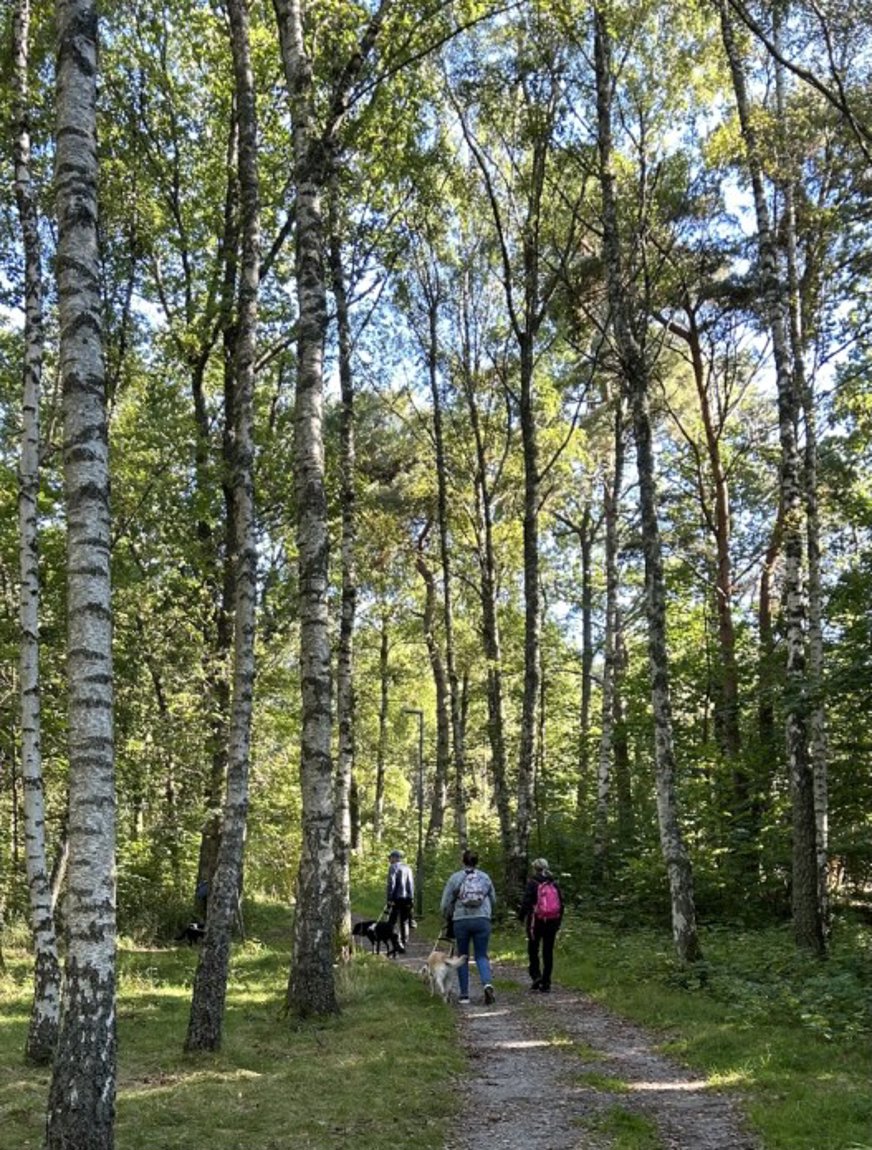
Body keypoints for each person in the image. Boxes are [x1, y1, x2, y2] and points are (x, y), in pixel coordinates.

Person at [440, 849, 497, 1005]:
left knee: (462, 957)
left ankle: (464, 995)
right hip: (482, 919)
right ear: (477, 861)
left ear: (463, 861)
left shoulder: (455, 878)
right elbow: (493, 899)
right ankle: (487, 984)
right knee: (481, 955)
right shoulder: (485, 877)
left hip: (461, 920)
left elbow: (445, 903)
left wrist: (446, 916)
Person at [518, 857, 563, 993]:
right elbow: (561, 903)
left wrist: (521, 917)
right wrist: (558, 921)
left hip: (535, 921)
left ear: (535, 868)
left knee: (533, 948)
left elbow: (526, 901)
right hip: (552, 921)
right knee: (548, 951)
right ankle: (546, 982)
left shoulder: (532, 882)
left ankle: (536, 975)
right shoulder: (553, 883)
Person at [385, 849, 415, 946]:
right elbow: (411, 884)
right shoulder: (408, 868)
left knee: (392, 920)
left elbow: (391, 883)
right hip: (407, 898)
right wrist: (411, 898)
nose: (389, 860)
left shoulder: (393, 867)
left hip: (396, 898)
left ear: (394, 858)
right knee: (404, 920)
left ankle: (393, 940)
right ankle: (404, 940)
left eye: (390, 858)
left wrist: (389, 898)